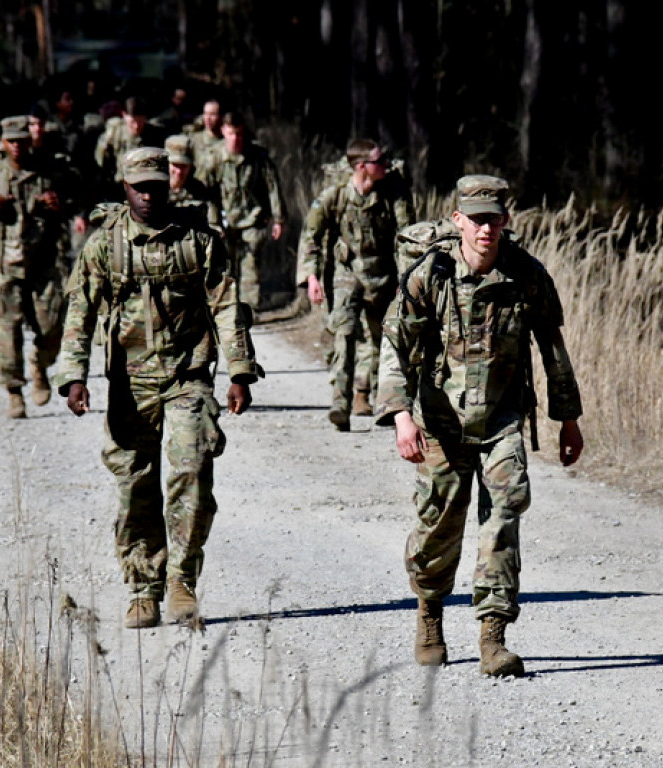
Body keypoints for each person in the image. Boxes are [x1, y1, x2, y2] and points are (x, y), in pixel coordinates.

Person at [376, 175, 584, 677]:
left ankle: (494, 637)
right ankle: (429, 612)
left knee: (503, 520)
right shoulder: (432, 274)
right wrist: (401, 416)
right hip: (439, 423)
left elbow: (552, 349)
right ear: (459, 221)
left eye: (494, 218)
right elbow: (394, 346)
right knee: (437, 529)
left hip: (501, 422)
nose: (485, 228)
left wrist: (568, 419)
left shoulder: (526, 275)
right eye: (476, 219)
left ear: (506, 221)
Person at [56, 147, 261, 629]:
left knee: (192, 471)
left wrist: (239, 370)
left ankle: (181, 579)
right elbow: (81, 310)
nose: (148, 195)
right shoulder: (105, 244)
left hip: (188, 374)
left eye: (156, 186)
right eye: (138, 187)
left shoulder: (198, 239)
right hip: (130, 379)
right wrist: (73, 374)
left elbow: (227, 304)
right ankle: (143, 587)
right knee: (135, 485)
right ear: (124, 187)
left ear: (169, 185)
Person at [0, 116, 77, 418]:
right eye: (12, 141)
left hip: (44, 267)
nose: (18, 146)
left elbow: (79, 198)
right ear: (3, 142)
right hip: (5, 268)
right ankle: (14, 392)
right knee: (6, 335)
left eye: (23, 140)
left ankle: (40, 365)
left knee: (52, 330)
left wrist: (60, 204)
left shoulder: (49, 171)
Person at [297, 139, 414, 430]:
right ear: (362, 166)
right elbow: (310, 236)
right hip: (346, 274)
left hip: (383, 275)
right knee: (344, 334)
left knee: (383, 339)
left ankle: (379, 398)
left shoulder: (393, 195)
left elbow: (407, 238)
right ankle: (340, 402)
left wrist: (406, 279)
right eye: (378, 161)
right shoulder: (334, 196)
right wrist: (311, 276)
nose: (385, 165)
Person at [196, 112, 285, 311]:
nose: (235, 139)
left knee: (251, 264)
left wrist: (279, 219)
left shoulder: (257, 157)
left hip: (252, 218)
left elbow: (273, 187)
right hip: (223, 220)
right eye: (230, 134)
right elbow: (202, 190)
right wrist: (209, 220)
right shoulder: (214, 157)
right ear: (223, 132)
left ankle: (250, 309)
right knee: (224, 266)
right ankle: (225, 308)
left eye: (238, 134)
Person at [93, 96, 164, 200]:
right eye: (132, 122)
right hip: (118, 185)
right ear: (124, 115)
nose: (136, 126)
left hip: (144, 187)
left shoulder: (154, 135)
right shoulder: (114, 132)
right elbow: (101, 163)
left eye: (140, 122)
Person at [165, 134, 220, 228]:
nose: (179, 171)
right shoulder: (156, 191)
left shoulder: (201, 191)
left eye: (184, 166)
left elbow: (213, 225)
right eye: (175, 165)